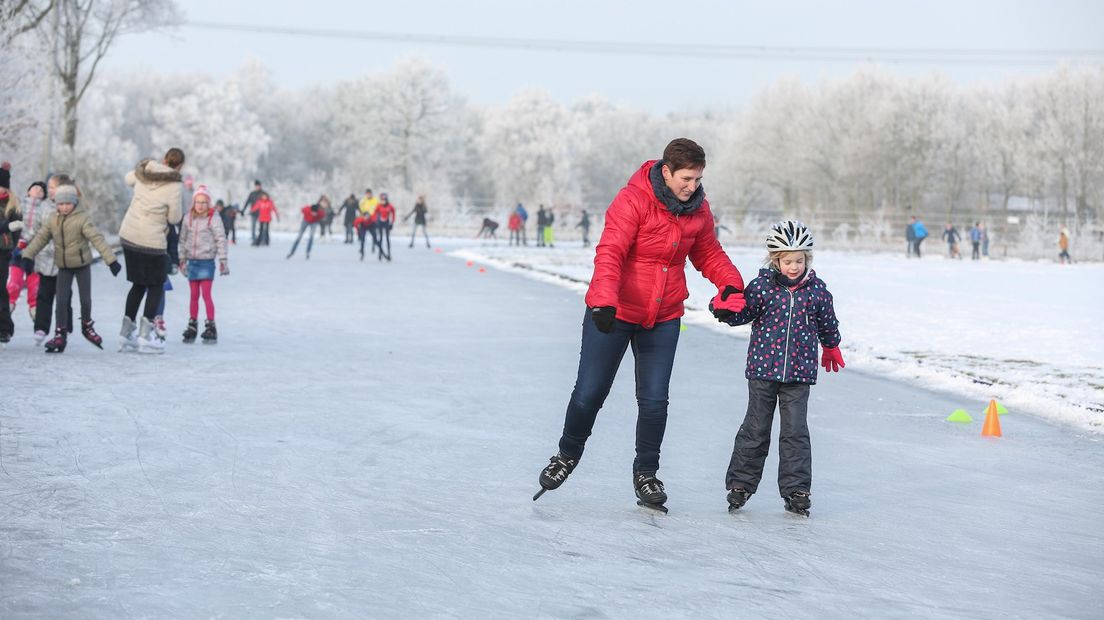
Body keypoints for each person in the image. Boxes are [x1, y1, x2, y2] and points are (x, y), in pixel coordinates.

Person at [534, 138, 747, 512]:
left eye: (697, 179)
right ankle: (567, 454)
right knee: (590, 393)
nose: (692, 186)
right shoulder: (632, 200)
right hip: (613, 312)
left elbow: (708, 251)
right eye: (686, 178)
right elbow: (611, 250)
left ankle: (646, 474)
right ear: (666, 172)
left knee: (654, 402)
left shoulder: (697, 209)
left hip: (663, 317)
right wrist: (602, 300)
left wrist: (731, 285)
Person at [714, 220, 842, 517]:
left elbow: (827, 321)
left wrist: (832, 345)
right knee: (756, 428)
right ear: (775, 260)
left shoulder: (817, 291)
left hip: (799, 373)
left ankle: (797, 489)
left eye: (799, 260)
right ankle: (741, 484)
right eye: (788, 261)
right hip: (762, 371)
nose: (794, 267)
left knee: (795, 432)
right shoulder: (762, 287)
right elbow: (742, 312)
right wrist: (723, 309)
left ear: (807, 260)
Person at [22, 184, 122, 353]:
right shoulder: (53, 219)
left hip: (82, 266)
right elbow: (40, 238)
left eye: (68, 203)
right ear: (56, 204)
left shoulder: (82, 219)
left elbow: (96, 238)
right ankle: (60, 334)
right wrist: (27, 255)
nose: (65, 207)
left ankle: (87, 326)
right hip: (63, 267)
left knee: (85, 300)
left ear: (74, 203)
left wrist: (111, 260)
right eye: (61, 204)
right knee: (61, 301)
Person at [118, 148, 185, 353]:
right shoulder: (174, 185)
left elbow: (129, 178)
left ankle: (125, 333)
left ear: (164, 159)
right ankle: (146, 335)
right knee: (156, 285)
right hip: (151, 240)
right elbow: (174, 218)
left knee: (138, 284)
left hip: (129, 234)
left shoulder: (146, 170)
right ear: (180, 166)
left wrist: (141, 174)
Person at [178, 185, 228, 344]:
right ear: (193, 203)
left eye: (203, 202)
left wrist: (223, 260)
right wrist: (181, 259)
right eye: (197, 202)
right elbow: (182, 240)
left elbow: (221, 238)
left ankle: (211, 326)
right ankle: (192, 325)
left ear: (208, 203)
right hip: (192, 261)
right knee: (193, 295)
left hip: (206, 261)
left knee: (206, 295)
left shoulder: (214, 218)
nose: (200, 205)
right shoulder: (188, 218)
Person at [29, 175, 73, 344]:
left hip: (65, 260)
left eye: (54, 187)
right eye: (49, 187)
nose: (50, 190)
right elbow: (35, 228)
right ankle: (41, 328)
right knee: (43, 295)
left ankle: (64, 327)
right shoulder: (43, 207)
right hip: (46, 259)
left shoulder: (70, 208)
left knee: (64, 296)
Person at [7, 182, 47, 324]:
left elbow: (45, 230)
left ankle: (34, 309)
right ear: (28, 191)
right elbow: (11, 223)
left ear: (44, 196)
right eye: (34, 187)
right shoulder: (18, 205)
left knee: (34, 284)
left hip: (35, 252)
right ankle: (8, 305)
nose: (37, 190)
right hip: (17, 250)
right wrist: (17, 240)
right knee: (14, 282)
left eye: (41, 190)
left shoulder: (45, 209)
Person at [0, 185, 22, 343]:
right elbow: (9, 227)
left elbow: (17, 230)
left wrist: (13, 247)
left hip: (3, 252)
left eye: (3, 188)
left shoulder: (14, 205)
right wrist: (5, 227)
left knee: (1, 289)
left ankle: (5, 328)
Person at [358, 189, 381, 255]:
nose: (368, 195)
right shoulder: (363, 201)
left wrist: (375, 217)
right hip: (364, 221)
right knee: (362, 237)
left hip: (372, 221)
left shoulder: (375, 200)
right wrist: (363, 215)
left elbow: (378, 209)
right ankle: (362, 250)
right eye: (367, 194)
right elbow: (360, 209)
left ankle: (374, 246)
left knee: (374, 236)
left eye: (369, 193)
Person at [374, 193, 395, 261]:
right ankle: (380, 253)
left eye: (384, 200)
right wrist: (375, 221)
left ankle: (389, 253)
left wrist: (392, 223)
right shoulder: (379, 206)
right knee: (380, 239)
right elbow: (375, 213)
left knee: (387, 238)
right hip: (380, 223)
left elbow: (393, 214)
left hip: (386, 223)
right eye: (381, 200)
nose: (383, 201)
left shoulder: (390, 206)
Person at [243, 180, 263, 244]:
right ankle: (254, 239)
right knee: (253, 227)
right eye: (256, 186)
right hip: (253, 213)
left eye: (258, 186)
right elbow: (247, 202)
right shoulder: (252, 194)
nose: (257, 187)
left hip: (261, 213)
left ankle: (261, 239)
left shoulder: (263, 194)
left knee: (261, 227)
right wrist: (243, 210)